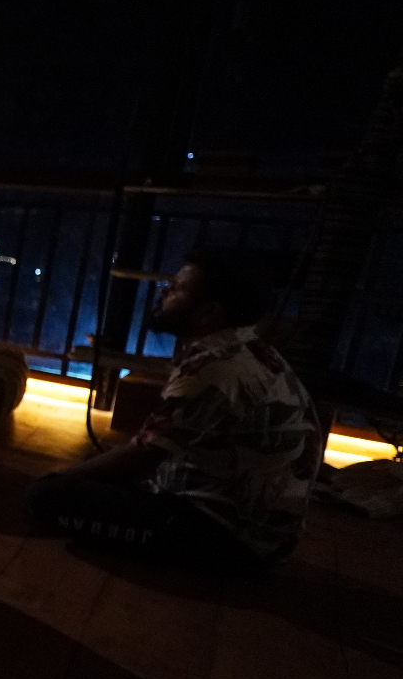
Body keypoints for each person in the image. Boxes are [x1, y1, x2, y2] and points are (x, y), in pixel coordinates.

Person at [26, 245, 320, 572]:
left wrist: (58, 479)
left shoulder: (214, 369)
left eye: (177, 289)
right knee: (95, 474)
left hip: (231, 537)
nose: (165, 292)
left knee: (47, 497)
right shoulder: (247, 350)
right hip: (256, 527)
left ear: (208, 312)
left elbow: (146, 453)